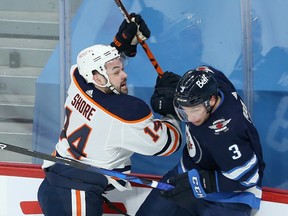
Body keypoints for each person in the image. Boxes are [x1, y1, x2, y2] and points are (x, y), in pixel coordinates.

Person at [37, 13, 182, 216]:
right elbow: (167, 144)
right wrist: (170, 111)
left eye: (121, 68)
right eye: (117, 72)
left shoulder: (78, 80)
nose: (124, 75)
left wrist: (119, 45)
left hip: (59, 183)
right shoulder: (124, 114)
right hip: (75, 197)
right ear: (97, 78)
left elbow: (96, 68)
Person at [136, 65, 265, 216]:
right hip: (187, 173)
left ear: (211, 100)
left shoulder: (228, 133)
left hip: (229, 199)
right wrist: (181, 90)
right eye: (185, 111)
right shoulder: (212, 79)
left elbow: (248, 178)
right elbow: (202, 73)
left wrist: (200, 183)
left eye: (195, 110)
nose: (190, 119)